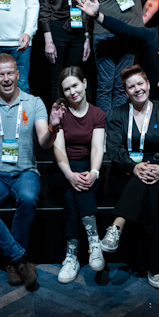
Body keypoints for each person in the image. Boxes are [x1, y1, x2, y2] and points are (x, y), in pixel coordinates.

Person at [0, 54, 59, 291]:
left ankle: (12, 262)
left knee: (28, 198)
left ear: (18, 74)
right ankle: (19, 259)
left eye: (10, 73)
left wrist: (53, 128)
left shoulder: (34, 103)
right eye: (1, 74)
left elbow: (44, 141)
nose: (6, 79)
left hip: (25, 172)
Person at [102, 65, 159, 288]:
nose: (137, 89)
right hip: (124, 174)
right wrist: (133, 167)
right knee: (146, 191)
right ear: (125, 91)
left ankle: (117, 226)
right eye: (131, 86)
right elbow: (114, 149)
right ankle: (155, 269)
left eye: (140, 84)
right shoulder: (117, 114)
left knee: (149, 187)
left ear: (147, 84)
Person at [47, 68, 106, 284]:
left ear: (85, 83)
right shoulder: (60, 112)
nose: (72, 92)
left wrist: (94, 172)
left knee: (73, 195)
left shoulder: (97, 114)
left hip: (88, 166)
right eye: (67, 88)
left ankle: (71, 253)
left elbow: (97, 147)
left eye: (75, 85)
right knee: (75, 186)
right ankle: (94, 240)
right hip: (62, 168)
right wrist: (70, 175)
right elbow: (58, 149)